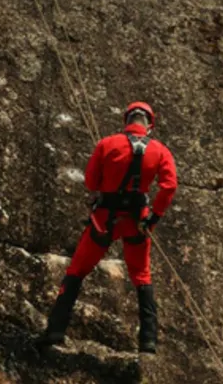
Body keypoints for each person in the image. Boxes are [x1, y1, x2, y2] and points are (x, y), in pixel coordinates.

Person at [36, 101, 178, 354]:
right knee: (142, 276)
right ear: (150, 125)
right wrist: (153, 219)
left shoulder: (107, 144)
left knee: (77, 270)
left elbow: (91, 182)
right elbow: (169, 186)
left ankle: (55, 329)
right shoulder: (160, 150)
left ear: (127, 121)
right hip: (137, 221)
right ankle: (148, 341)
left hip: (104, 218)